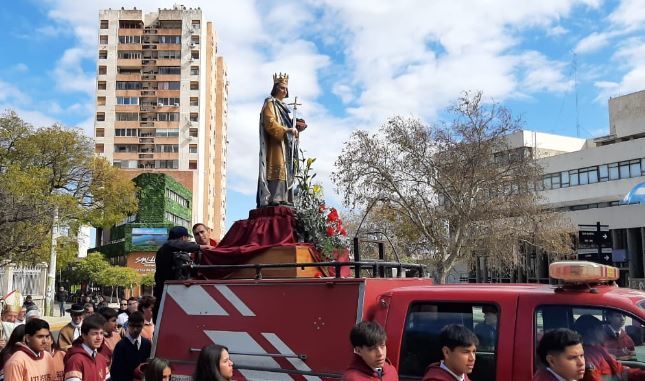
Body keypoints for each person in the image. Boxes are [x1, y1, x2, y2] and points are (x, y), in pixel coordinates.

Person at [256, 72, 307, 208]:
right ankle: (275, 197)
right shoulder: (270, 104)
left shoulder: (285, 108)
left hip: (286, 144)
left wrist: (296, 128)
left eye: (286, 89)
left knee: (287, 168)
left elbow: (289, 125)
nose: (284, 91)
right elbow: (270, 123)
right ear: (275, 88)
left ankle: (285, 197)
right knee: (277, 167)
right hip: (275, 144)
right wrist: (286, 130)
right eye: (282, 88)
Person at [153, 226, 214, 322]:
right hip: (166, 296)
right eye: (187, 239)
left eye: (202, 232)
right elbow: (173, 244)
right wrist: (201, 247)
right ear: (182, 238)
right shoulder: (167, 247)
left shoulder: (171, 250)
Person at [573, 314, 645, 381]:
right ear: (590, 332)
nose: (603, 330)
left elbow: (619, 369)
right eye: (600, 328)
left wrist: (641, 374)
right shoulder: (586, 357)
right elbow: (593, 378)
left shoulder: (598, 349)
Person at [63, 314, 110, 381]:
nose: (99, 338)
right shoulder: (75, 360)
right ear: (84, 335)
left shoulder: (101, 359)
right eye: (94, 334)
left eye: (101, 333)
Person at [110, 311, 152, 381]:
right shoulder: (121, 346)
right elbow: (115, 372)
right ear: (128, 325)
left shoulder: (147, 344)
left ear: (143, 325)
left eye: (138, 326)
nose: (135, 329)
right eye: (132, 326)